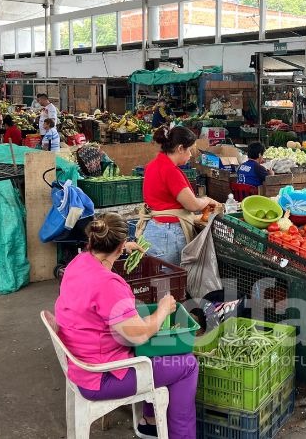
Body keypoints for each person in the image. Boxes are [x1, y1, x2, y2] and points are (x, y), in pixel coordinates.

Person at [54, 213, 197, 439]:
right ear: (119, 247)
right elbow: (138, 336)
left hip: (81, 360)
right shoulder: (108, 285)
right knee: (187, 364)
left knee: (157, 348)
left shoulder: (78, 262)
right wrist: (162, 310)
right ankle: (180, 434)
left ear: (92, 240)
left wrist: (122, 245)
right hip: (101, 377)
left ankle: (150, 420)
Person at [139, 126, 220, 265]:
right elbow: (193, 205)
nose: (190, 155)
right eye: (189, 150)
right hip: (168, 235)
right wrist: (206, 200)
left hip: (153, 230)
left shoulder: (153, 165)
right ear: (180, 148)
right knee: (172, 281)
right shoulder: (170, 171)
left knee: (159, 281)